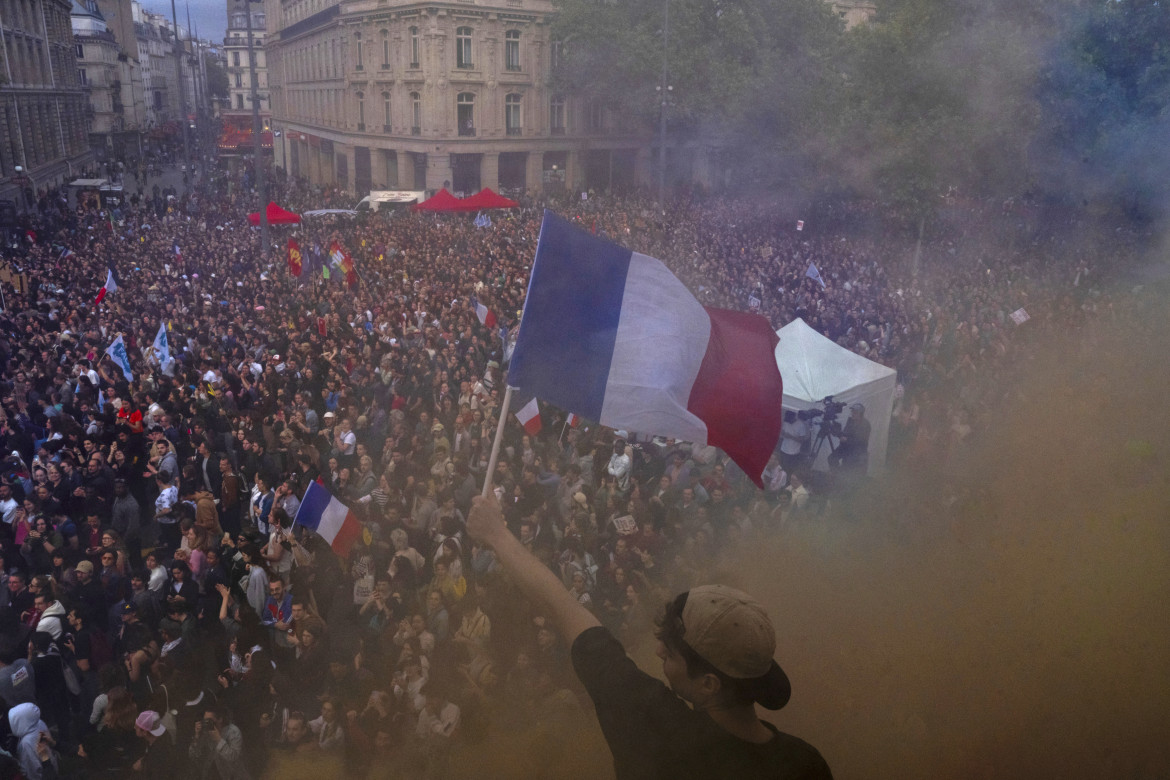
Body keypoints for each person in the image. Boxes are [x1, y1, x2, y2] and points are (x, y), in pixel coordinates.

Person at [467, 493, 832, 779]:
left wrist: (497, 535)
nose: (657, 651)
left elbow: (563, 607)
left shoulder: (654, 729)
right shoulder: (806, 765)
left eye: (671, 653)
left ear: (709, 683)